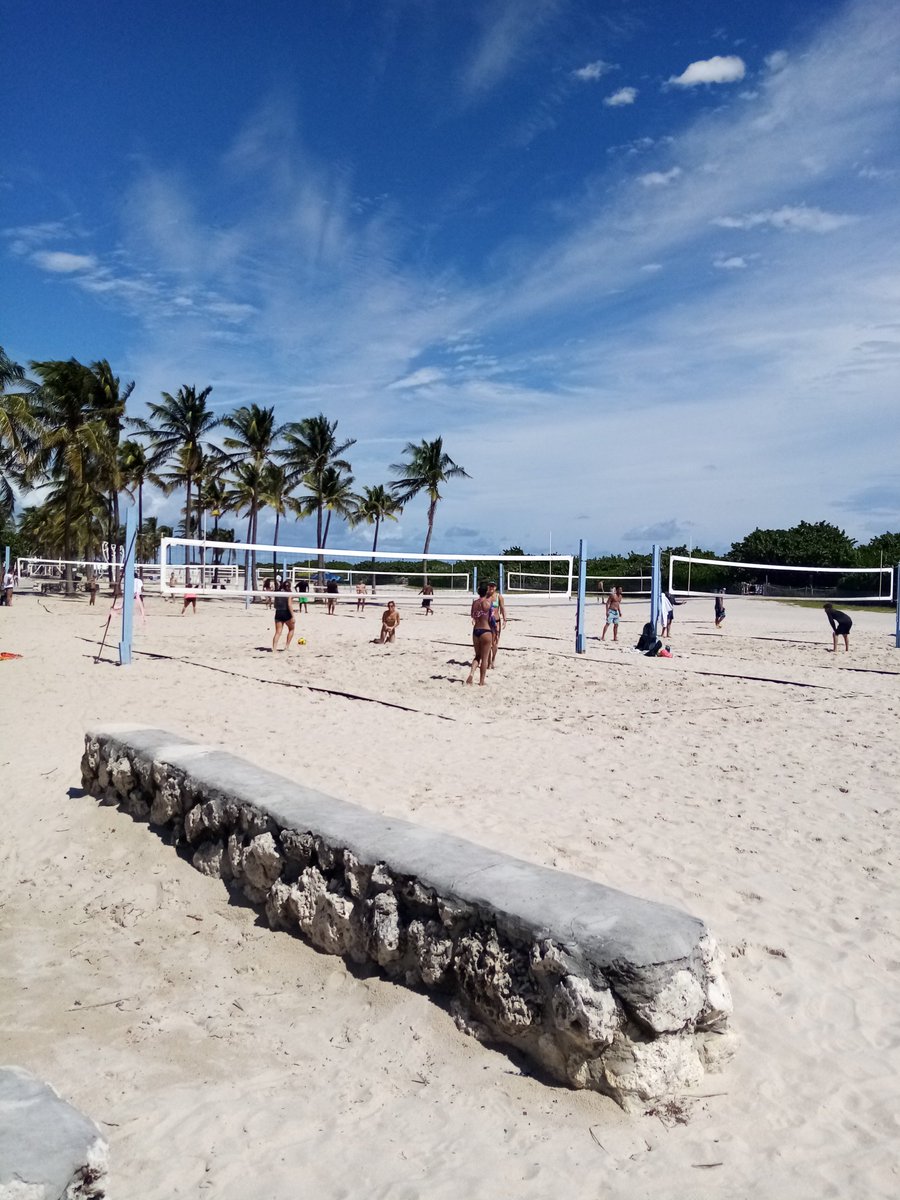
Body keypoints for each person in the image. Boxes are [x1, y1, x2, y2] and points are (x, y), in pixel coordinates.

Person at [466, 584, 494, 685]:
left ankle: (471, 674)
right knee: (484, 659)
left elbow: (472, 615)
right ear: (486, 591)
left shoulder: (475, 603)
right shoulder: (488, 602)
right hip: (486, 630)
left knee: (477, 656)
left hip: (476, 631)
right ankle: (481, 681)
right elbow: (491, 618)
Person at [272, 580, 297, 651]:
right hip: (286, 612)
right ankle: (287, 646)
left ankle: (274, 648)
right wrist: (293, 616)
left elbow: (275, 605)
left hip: (278, 612)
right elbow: (289, 605)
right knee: (291, 629)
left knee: (278, 632)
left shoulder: (277, 593)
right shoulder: (289, 593)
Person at [487, 581, 507, 665]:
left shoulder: (499, 597)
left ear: (495, 587)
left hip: (496, 621)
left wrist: (505, 619)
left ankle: (493, 658)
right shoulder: (485, 596)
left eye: (493, 586)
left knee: (495, 643)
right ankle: (488, 661)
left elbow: (502, 608)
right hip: (487, 622)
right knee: (488, 643)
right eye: (490, 586)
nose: (491, 587)